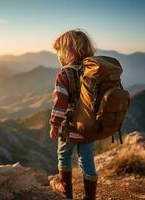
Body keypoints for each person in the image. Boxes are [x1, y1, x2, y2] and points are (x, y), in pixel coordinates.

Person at [49, 29, 98, 200]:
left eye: (59, 51)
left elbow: (60, 104)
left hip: (68, 129)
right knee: (87, 160)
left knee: (64, 156)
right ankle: (89, 197)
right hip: (89, 128)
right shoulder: (94, 71)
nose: (58, 55)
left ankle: (67, 195)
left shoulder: (64, 74)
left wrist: (54, 125)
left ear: (68, 51)